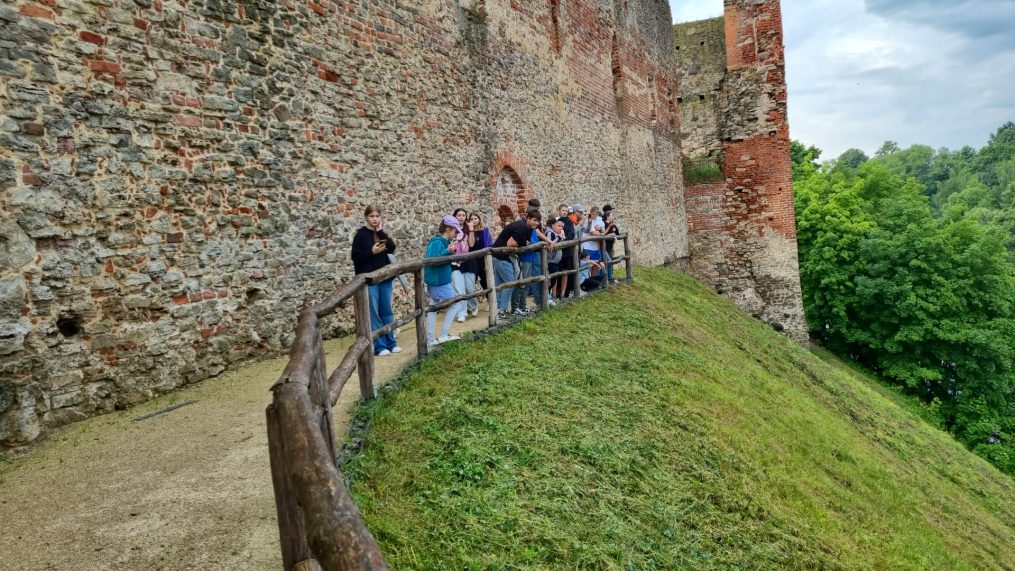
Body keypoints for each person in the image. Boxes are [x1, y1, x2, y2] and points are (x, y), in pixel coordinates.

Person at [350, 204, 400, 356]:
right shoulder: (361, 235)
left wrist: (381, 232)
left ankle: (391, 343)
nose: (375, 219)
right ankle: (379, 346)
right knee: (374, 314)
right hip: (370, 281)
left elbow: (391, 248)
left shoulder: (380, 233)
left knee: (387, 312)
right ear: (366, 217)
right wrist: (371, 251)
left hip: (385, 279)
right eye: (372, 216)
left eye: (377, 216)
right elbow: (356, 257)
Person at [424, 216, 466, 346]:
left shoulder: (443, 241)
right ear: (448, 229)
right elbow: (431, 259)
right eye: (455, 231)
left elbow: (441, 255)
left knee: (433, 307)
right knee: (455, 303)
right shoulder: (437, 242)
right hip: (438, 280)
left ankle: (431, 339)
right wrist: (447, 251)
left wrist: (450, 252)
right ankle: (442, 335)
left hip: (440, 280)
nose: (456, 233)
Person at [491, 210, 541, 317]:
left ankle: (498, 309)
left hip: (499, 255)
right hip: (502, 256)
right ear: (528, 218)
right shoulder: (521, 227)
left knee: (500, 284)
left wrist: (523, 243)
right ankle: (502, 310)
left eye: (538, 221)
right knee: (510, 282)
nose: (536, 223)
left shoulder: (526, 227)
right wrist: (524, 243)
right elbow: (510, 244)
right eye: (534, 220)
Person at [467, 212, 493, 312]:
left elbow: (488, 244)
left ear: (479, 219)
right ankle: (471, 306)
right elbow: (470, 246)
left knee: (485, 281)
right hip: (472, 259)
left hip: (483, 259)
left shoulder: (484, 230)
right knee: (471, 282)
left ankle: (490, 302)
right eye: (471, 219)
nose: (473, 221)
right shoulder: (468, 231)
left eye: (475, 218)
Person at [448, 209, 470, 323]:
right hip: (454, 261)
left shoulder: (468, 229)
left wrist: (471, 230)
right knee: (458, 287)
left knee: (469, 288)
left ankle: (470, 307)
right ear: (455, 217)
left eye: (463, 215)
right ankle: (461, 313)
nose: (461, 217)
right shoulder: (450, 230)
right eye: (459, 215)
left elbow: (471, 244)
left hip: (466, 261)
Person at [557, 204, 576, 299]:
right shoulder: (555, 221)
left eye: (566, 211)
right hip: (556, 252)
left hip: (566, 251)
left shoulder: (569, 222)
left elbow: (571, 235)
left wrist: (563, 240)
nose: (564, 212)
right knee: (556, 273)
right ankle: (555, 294)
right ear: (559, 211)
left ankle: (563, 294)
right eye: (563, 210)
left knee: (565, 272)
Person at [581, 205, 605, 275]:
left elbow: (603, 229)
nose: (592, 216)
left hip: (595, 247)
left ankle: (593, 278)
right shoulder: (588, 221)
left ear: (597, 214)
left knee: (597, 264)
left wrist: (600, 229)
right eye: (591, 214)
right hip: (586, 246)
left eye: (594, 214)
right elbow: (593, 233)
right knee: (587, 264)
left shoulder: (599, 220)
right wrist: (602, 234)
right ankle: (587, 279)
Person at [545, 216, 565, 303]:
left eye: (562, 227)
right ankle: (546, 298)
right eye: (559, 226)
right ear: (553, 225)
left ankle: (549, 297)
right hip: (550, 261)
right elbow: (550, 246)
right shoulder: (550, 233)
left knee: (553, 280)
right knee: (550, 280)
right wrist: (559, 238)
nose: (561, 228)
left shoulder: (556, 234)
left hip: (555, 261)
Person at [602, 206, 620, 283]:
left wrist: (616, 228)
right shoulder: (604, 224)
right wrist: (609, 234)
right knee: (608, 261)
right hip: (604, 246)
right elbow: (603, 234)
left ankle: (610, 276)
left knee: (610, 261)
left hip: (610, 246)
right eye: (612, 215)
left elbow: (618, 234)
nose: (613, 217)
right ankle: (608, 278)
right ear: (608, 216)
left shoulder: (612, 225)